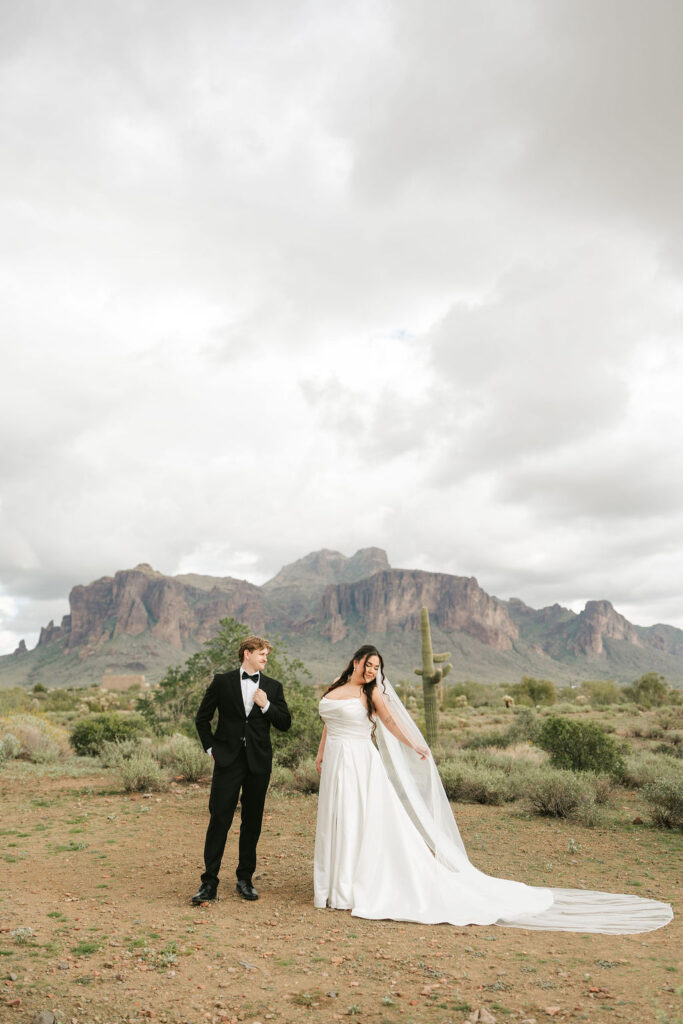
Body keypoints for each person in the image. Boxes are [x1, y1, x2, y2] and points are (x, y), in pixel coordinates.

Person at [313, 645, 673, 933]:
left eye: (377, 667)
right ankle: (335, 885)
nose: (372, 671)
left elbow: (388, 722)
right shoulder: (335, 686)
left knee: (360, 818)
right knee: (339, 817)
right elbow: (328, 723)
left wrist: (415, 745)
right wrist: (320, 753)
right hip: (337, 762)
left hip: (361, 762)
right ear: (356, 660)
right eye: (369, 664)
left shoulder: (371, 694)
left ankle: (351, 886)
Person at [193, 635, 291, 905]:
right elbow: (202, 719)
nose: (265, 658)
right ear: (247, 653)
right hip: (227, 761)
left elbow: (285, 722)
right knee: (219, 819)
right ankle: (209, 882)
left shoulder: (273, 686)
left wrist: (267, 705)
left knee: (252, 821)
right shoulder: (222, 682)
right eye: (261, 653)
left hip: (259, 763)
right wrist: (211, 749)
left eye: (267, 655)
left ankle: (244, 879)